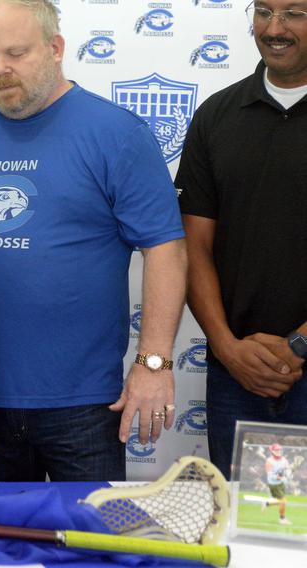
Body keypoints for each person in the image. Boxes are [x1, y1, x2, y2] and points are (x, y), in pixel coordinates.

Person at [0, 0, 187, 482]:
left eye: (16, 53)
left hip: (84, 405)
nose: (1, 70)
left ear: (56, 48)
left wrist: (154, 363)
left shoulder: (116, 134)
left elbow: (166, 249)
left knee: (90, 548)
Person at [175, 0, 307, 479]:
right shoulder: (216, 116)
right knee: (251, 529)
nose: (275, 28)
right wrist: (228, 348)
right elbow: (193, 246)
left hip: (298, 361)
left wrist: (299, 345)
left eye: (294, 13)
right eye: (265, 11)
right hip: (237, 375)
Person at [261, 443, 293, 525]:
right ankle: (282, 519)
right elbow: (270, 475)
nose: (278, 451)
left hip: (281, 483)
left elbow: (287, 468)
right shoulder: (269, 461)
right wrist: (281, 478)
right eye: (276, 450)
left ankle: (266, 503)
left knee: (280, 501)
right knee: (283, 501)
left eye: (279, 450)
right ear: (272, 451)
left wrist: (289, 473)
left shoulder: (284, 460)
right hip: (274, 485)